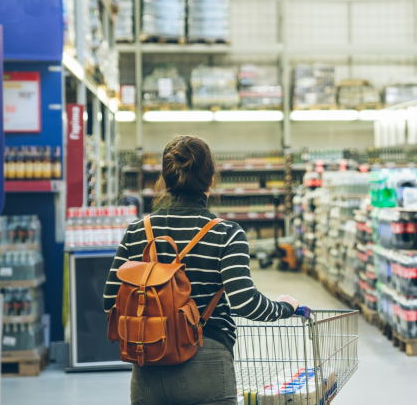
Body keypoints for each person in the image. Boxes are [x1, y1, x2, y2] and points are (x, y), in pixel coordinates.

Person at [103, 136, 299, 405]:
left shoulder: (137, 231)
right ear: (210, 180)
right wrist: (283, 307)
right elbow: (244, 303)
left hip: (148, 360)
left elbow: (110, 303)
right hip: (206, 362)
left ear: (165, 179)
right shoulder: (226, 233)